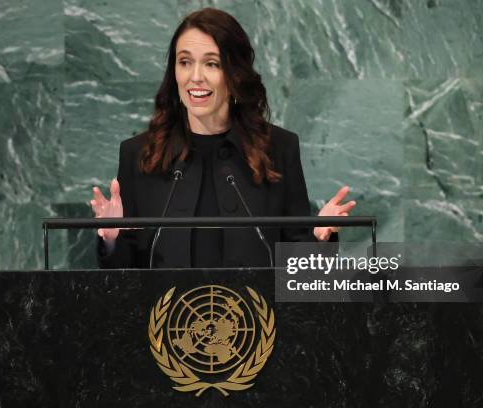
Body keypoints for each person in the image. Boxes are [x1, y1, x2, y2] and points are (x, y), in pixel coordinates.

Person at [90, 8, 356, 269]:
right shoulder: (139, 153)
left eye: (212, 64)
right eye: (184, 62)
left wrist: (319, 238)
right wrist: (111, 240)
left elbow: (295, 266)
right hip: (166, 313)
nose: (195, 77)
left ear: (235, 74)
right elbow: (124, 280)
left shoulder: (279, 148)